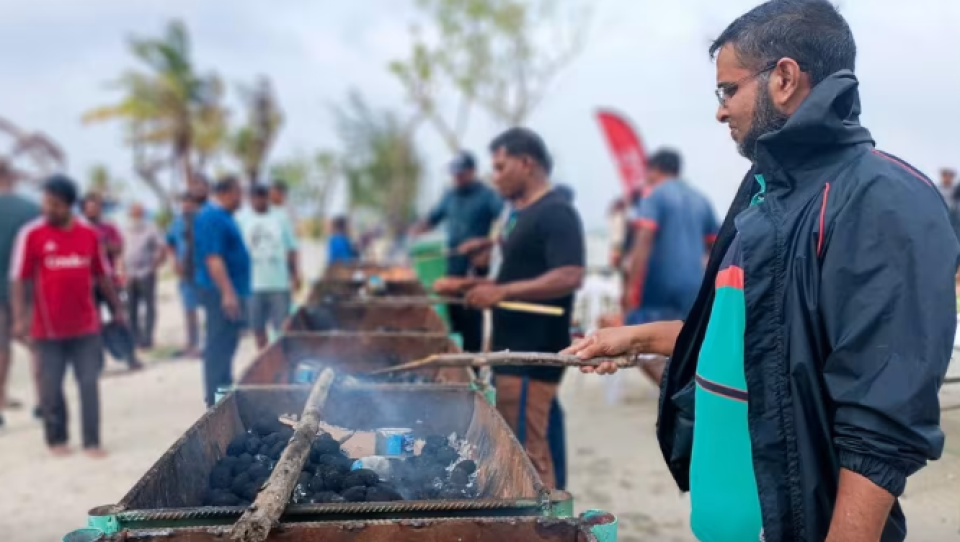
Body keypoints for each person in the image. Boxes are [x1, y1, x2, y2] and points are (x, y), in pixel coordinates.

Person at [568, 2, 958, 541]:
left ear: (784, 78)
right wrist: (639, 337)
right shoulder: (762, 192)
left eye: (728, 90)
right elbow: (765, 343)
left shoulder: (882, 198)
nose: (720, 111)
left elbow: (882, 424)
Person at [443, 128, 584, 488]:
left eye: (501, 166)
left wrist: (501, 291)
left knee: (528, 451)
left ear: (527, 163)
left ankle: (544, 524)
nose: (495, 176)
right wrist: (470, 284)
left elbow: (569, 274)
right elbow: (521, 273)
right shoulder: (521, 213)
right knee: (536, 439)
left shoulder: (556, 212)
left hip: (531, 353)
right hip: (513, 349)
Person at [10, 175, 126, 458]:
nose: (47, 208)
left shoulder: (88, 235)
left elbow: (103, 276)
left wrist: (118, 309)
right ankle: (56, 438)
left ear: (68, 205)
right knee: (51, 387)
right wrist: (20, 317)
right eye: (45, 202)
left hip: (86, 325)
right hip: (46, 329)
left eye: (53, 204)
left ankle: (92, 442)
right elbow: (19, 279)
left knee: (88, 382)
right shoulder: (32, 235)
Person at [622, 149, 718, 383]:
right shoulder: (700, 198)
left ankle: (671, 394)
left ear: (654, 170)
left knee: (642, 344)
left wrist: (629, 287)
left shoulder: (654, 196)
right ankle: (681, 390)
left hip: (659, 286)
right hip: (694, 286)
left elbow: (643, 239)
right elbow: (715, 245)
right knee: (683, 342)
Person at [412, 151, 503, 352]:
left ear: (472, 172)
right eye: (454, 174)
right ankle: (455, 356)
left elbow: (507, 227)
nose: (457, 178)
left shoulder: (488, 196)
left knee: (472, 318)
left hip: (474, 270)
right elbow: (431, 219)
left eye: (460, 173)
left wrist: (484, 243)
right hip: (452, 267)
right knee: (452, 318)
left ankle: (472, 363)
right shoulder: (450, 196)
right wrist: (412, 232)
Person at [194, 177, 250, 407]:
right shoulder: (211, 216)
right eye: (239, 193)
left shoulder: (224, 216)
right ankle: (216, 404)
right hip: (218, 293)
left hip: (228, 291)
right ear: (226, 193)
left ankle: (224, 398)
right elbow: (213, 259)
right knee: (218, 349)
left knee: (227, 348)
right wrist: (227, 293)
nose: (241, 199)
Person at [0, 160, 40, 428]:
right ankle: (44, 403)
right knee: (37, 345)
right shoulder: (32, 209)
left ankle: (0, 400)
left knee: (0, 347)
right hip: (27, 288)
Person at [239, 184, 300, 350]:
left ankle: (281, 360)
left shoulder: (281, 218)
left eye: (262, 197)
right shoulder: (242, 219)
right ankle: (264, 360)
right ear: (250, 199)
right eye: (255, 197)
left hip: (278, 283)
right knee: (258, 328)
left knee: (282, 328)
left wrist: (295, 274)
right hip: (253, 285)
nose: (259, 201)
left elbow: (291, 249)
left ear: (268, 198)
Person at [123, 203, 166, 349]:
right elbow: (120, 251)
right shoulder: (124, 229)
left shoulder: (151, 228)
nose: (136, 215)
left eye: (139, 212)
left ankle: (148, 338)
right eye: (134, 212)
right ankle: (135, 338)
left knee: (149, 306)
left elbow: (161, 247)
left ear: (143, 213)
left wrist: (154, 265)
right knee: (131, 307)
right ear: (130, 213)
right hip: (129, 274)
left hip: (146, 272)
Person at [166, 193, 202, 357]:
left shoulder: (203, 221)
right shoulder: (177, 223)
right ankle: (192, 343)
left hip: (203, 270)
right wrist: (175, 262)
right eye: (184, 203)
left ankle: (208, 344)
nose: (187, 206)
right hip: (186, 272)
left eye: (190, 203)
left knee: (210, 309)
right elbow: (170, 244)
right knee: (189, 309)